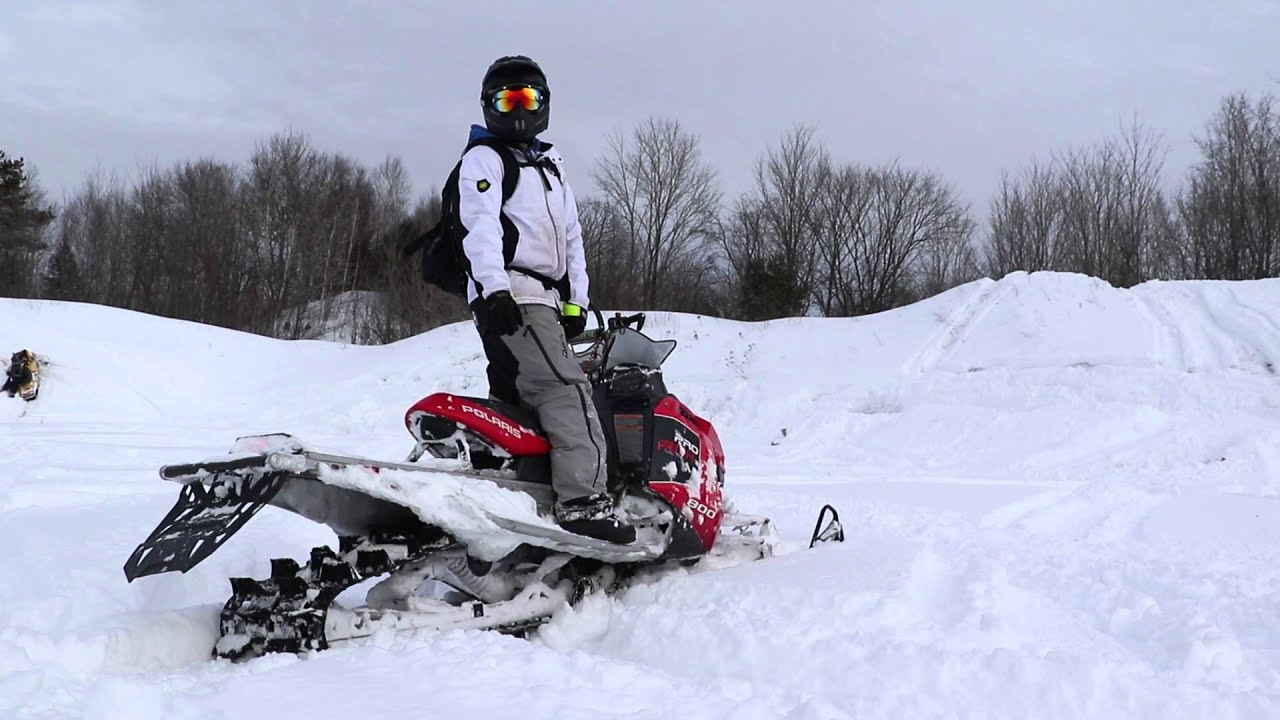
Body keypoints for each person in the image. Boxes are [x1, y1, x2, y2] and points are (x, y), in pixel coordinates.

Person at [457, 55, 634, 544]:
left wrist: (577, 301)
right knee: (566, 391)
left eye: (527, 99)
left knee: (518, 401)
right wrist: (494, 289)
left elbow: (572, 238)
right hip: (513, 295)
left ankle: (517, 495)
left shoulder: (550, 165)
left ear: (543, 104)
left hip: (546, 300)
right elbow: (480, 228)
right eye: (506, 100)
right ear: (489, 106)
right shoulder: (485, 158)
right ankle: (583, 503)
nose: (518, 109)